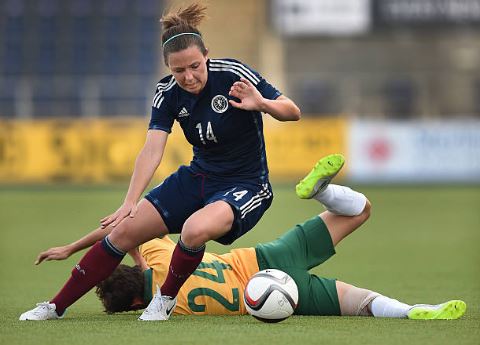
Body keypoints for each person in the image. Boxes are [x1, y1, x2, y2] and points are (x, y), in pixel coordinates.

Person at [19, 2, 301, 321]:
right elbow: (152, 150)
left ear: (206, 54)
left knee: (194, 230)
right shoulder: (166, 93)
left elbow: (292, 111)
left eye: (195, 66)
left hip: (247, 184)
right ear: (168, 67)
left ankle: (164, 300)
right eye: (178, 70)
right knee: (122, 232)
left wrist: (262, 104)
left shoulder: (233, 74)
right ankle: (55, 306)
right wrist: (130, 201)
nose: (189, 76)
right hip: (199, 177)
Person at [23, 156, 466, 320]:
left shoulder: (161, 294)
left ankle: (413, 311)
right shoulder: (157, 256)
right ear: (135, 267)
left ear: (136, 304)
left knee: (361, 303)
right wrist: (71, 248)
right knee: (360, 210)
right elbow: (120, 234)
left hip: (269, 296)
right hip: (265, 257)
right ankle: (324, 192)